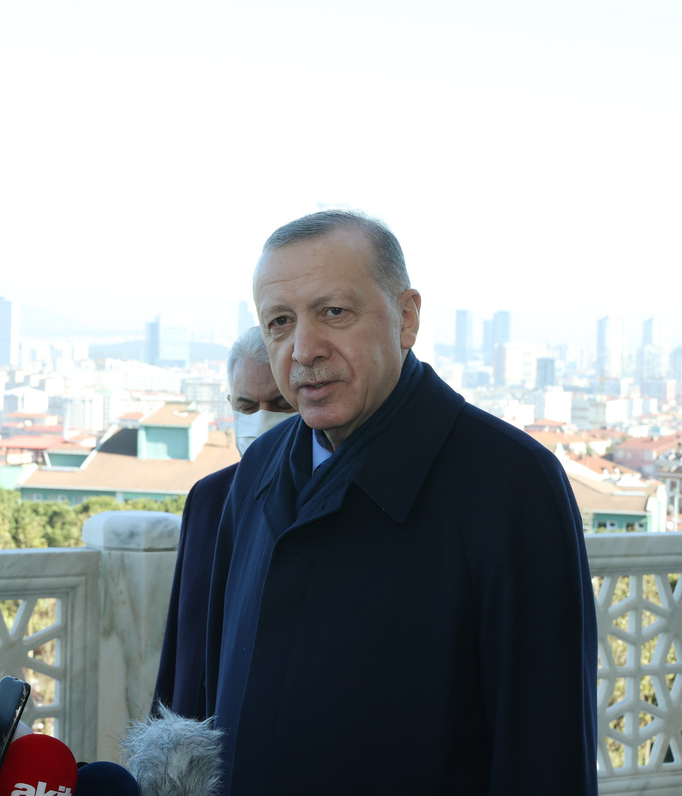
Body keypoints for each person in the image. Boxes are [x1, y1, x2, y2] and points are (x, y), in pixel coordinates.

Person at [205, 210, 598, 793]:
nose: (303, 349)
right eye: (279, 323)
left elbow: (546, 748)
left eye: (333, 312)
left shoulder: (510, 484)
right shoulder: (259, 470)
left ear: (407, 317)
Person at [153, 325, 297, 719]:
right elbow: (183, 636)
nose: (260, 419)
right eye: (247, 406)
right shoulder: (209, 497)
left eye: (280, 406)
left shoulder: (327, 500)